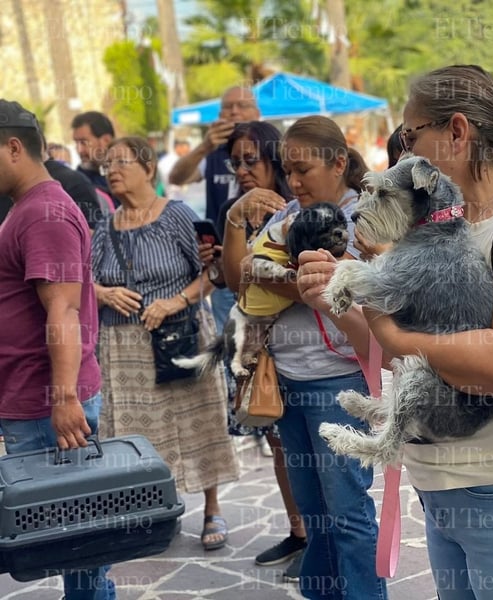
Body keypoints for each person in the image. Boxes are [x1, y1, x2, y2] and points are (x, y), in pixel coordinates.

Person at [298, 65, 493, 600]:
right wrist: (336, 302)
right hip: (444, 487)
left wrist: (394, 329)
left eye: (411, 136)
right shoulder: (443, 225)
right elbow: (400, 358)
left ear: (456, 131)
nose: (404, 153)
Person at [228, 115, 387, 599]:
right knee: (315, 515)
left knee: (348, 515)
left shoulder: (366, 219)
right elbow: (240, 278)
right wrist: (238, 217)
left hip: (338, 382)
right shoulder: (287, 216)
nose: (293, 182)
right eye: (288, 171)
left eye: (304, 170)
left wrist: (283, 280)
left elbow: (348, 289)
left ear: (339, 162)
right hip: (291, 381)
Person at [91, 136, 240, 551]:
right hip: (124, 348)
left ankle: (212, 507)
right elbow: (85, 280)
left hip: (182, 335)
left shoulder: (176, 215)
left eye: (121, 162)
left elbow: (213, 273)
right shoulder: (104, 226)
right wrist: (104, 294)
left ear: (148, 169)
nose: (112, 171)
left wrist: (174, 301)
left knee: (198, 419)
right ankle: (160, 507)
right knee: (139, 432)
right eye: (107, 166)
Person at [0, 99, 116, 599]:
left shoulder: (44, 212)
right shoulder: (27, 209)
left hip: (50, 408)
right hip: (35, 402)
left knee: (82, 557)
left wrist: (65, 398)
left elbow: (64, 311)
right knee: (72, 553)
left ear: (12, 147)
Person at [217, 121, 308, 582]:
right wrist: (236, 217)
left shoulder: (300, 205)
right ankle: (299, 531)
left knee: (307, 451)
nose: (243, 169)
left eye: (251, 159)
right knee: (278, 443)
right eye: (235, 162)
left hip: (307, 351)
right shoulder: (240, 208)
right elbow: (235, 281)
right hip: (258, 348)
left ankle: (317, 539)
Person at [169, 86, 261, 334]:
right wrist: (204, 147)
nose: (233, 112)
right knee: (229, 337)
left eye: (241, 106)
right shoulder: (213, 154)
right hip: (222, 262)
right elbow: (177, 177)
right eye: (227, 108)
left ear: (257, 112)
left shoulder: (269, 150)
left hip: (262, 260)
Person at [71, 111, 116, 209]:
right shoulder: (77, 181)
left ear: (106, 140)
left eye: (84, 142)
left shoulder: (132, 173)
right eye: (76, 143)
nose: (79, 150)